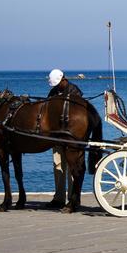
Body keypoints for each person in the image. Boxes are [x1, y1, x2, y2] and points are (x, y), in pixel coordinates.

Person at [46, 68, 83, 209]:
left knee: (72, 168)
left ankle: (72, 198)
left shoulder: (74, 91)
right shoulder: (53, 92)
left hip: (70, 137)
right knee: (58, 166)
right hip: (56, 136)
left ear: (63, 80)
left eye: (57, 84)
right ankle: (59, 197)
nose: (56, 87)